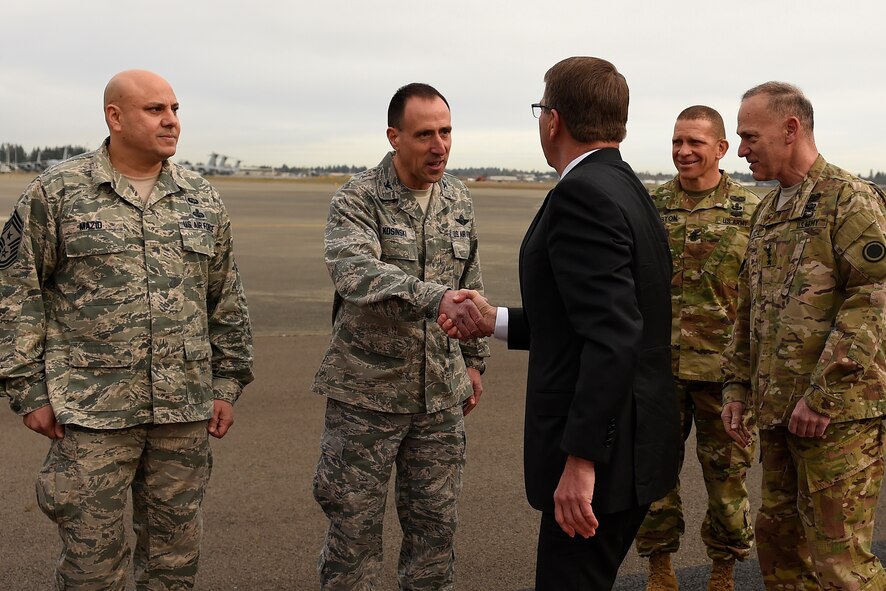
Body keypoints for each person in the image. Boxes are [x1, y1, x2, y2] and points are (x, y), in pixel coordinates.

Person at [0, 69, 254, 589]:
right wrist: (28, 391)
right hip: (91, 412)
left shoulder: (200, 198)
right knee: (92, 566)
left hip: (182, 409)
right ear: (114, 117)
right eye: (155, 109)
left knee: (174, 564)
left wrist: (228, 382)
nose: (171, 121)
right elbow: (15, 292)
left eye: (176, 109)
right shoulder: (59, 193)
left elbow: (224, 295)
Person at [440, 56, 679, 590]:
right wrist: (494, 321)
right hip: (636, 449)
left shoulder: (582, 194)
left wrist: (582, 460)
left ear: (553, 119)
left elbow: (614, 336)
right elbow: (589, 322)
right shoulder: (628, 188)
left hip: (602, 466)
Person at [311, 82, 490, 590]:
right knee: (353, 535)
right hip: (366, 396)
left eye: (447, 132)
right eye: (425, 134)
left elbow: (470, 282)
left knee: (435, 533)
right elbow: (355, 273)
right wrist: (433, 298)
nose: (440, 146)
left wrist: (474, 362)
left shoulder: (457, 196)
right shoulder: (358, 198)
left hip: (440, 397)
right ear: (394, 136)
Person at [722, 81, 886, 590]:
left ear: (791, 128)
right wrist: (735, 388)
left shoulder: (848, 199)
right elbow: (750, 306)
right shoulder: (769, 211)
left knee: (842, 566)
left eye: (750, 137)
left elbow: (874, 299)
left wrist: (822, 396)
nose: (742, 150)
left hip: (836, 420)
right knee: (780, 550)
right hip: (779, 415)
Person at [635, 106, 759, 591]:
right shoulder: (650, 206)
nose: (683, 152)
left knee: (727, 485)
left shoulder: (749, 212)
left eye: (695, 143)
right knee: (655, 482)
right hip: (658, 371)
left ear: (721, 149)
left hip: (724, 378)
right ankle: (659, 568)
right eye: (676, 142)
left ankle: (723, 571)